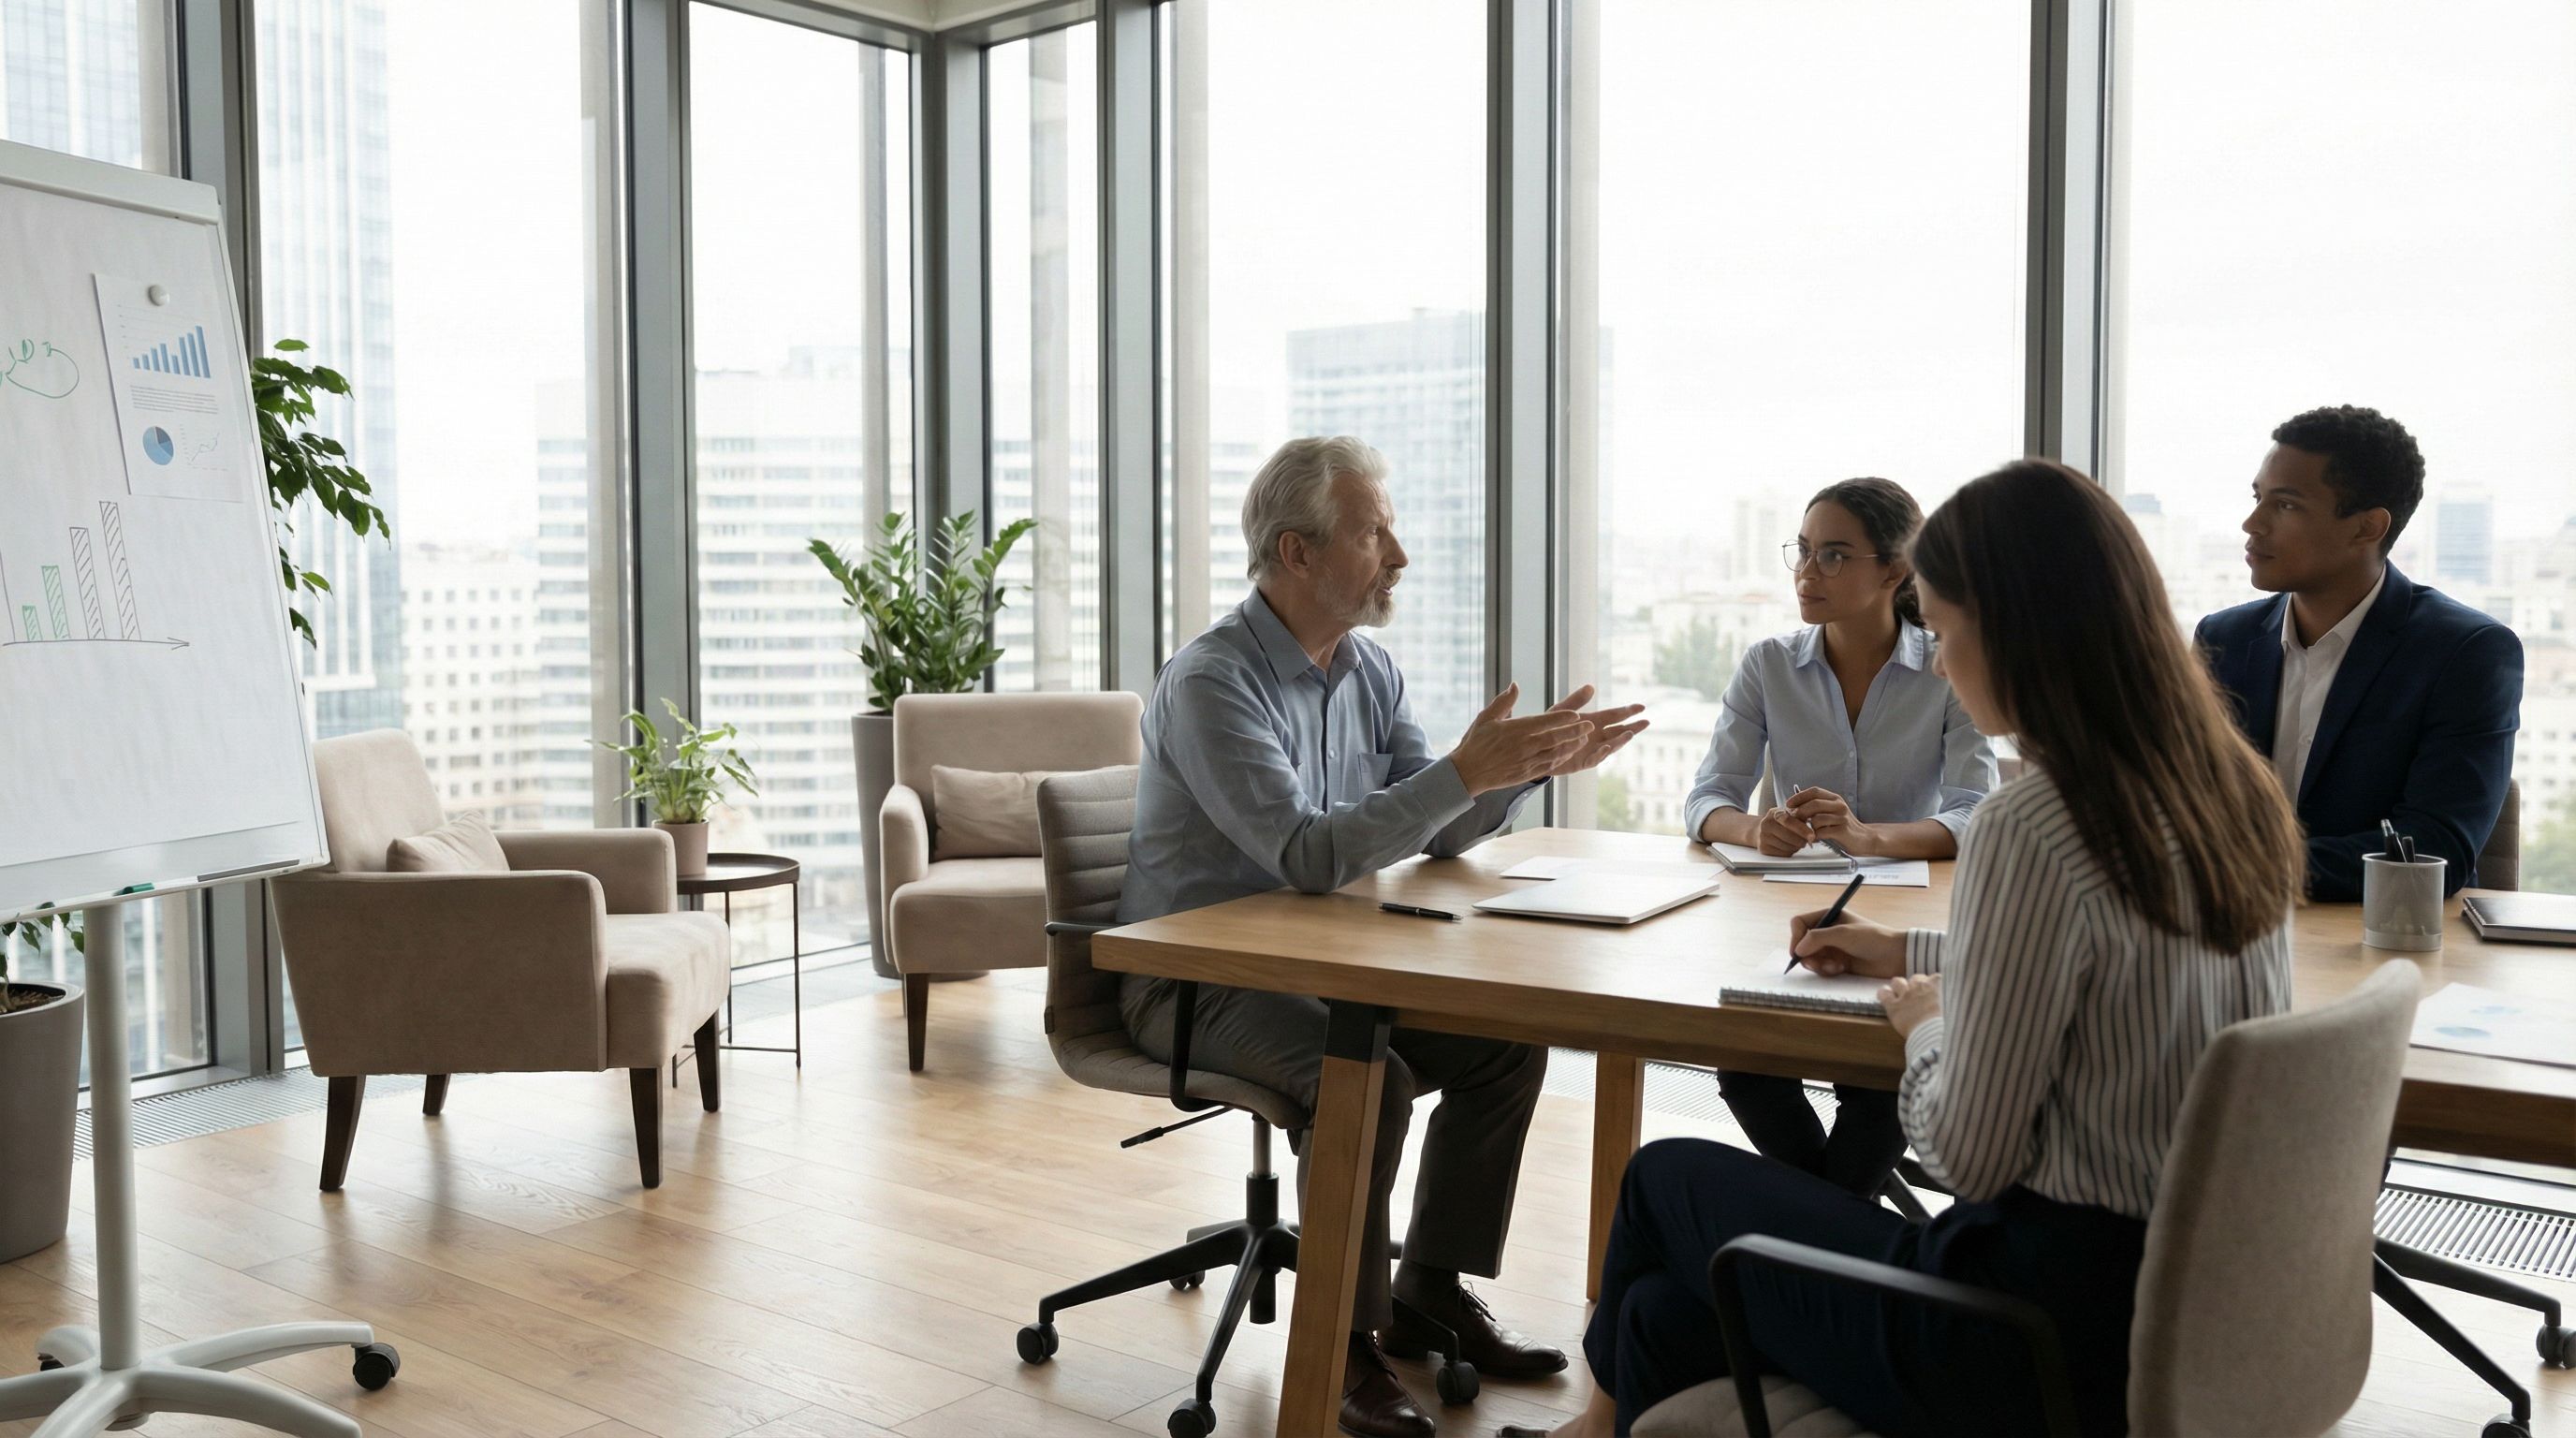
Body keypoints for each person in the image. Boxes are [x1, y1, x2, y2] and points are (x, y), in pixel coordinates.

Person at [1505, 460, 2304, 1438]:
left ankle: (1591, 1430)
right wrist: (1904, 949)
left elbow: (1966, 1154)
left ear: (2011, 633)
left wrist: (1927, 1023)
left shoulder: (2031, 823)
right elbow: (2107, 961)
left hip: (2020, 1334)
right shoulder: (2228, 790)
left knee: (1662, 1176)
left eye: (1949, 630)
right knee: (1662, 1316)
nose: (1943, 664)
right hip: (2178, 1305)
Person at [1120, 434, 1648, 1438]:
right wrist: (1462, 769)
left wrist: (1521, 766)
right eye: (1373, 535)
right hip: (1195, 980)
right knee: (1368, 1075)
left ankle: (1427, 1290)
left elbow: (1435, 827)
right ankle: (1342, 1341)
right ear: (1297, 552)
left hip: (1325, 964)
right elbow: (1308, 855)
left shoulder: (1368, 669)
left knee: (1503, 1038)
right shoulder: (1211, 683)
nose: (1398, 556)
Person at [1684, 478, 1995, 1200]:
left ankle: (1823, 1225)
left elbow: (1975, 813)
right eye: (1802, 551)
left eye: (1832, 555)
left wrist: (1867, 836)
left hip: (1908, 925)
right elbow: (1706, 799)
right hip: (1784, 921)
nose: (1806, 572)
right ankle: (1845, 1222)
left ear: (1894, 570)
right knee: (1745, 1059)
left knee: (1878, 1080)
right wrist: (1755, 828)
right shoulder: (1769, 663)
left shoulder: (1945, 666)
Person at [2196, 404, 2522, 902]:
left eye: (2286, 505)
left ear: (2366, 527)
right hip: (2222, 926)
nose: (2252, 523)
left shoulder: (2466, 652)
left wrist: (2235, 869)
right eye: (2258, 498)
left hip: (2383, 934)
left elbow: (2435, 849)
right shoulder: (2223, 639)